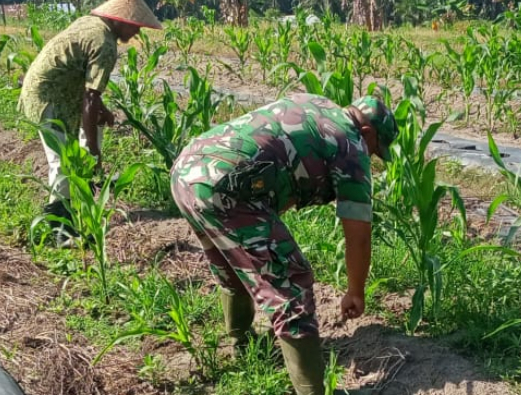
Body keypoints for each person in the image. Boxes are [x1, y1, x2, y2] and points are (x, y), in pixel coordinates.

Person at [170, 93, 398, 395]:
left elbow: (274, 159)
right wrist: (355, 290)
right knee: (292, 281)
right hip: (225, 187)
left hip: (188, 171)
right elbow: (359, 236)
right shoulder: (351, 145)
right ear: (367, 133)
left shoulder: (316, 104)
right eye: (375, 149)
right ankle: (312, 391)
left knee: (234, 260)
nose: (371, 156)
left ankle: (241, 345)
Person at [18, 0, 162, 242]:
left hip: (56, 91)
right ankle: (58, 228)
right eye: (135, 26)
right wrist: (94, 149)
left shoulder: (90, 22)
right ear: (120, 21)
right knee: (61, 162)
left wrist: (102, 113)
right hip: (49, 98)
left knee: (90, 130)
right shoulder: (105, 45)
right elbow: (90, 98)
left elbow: (88, 87)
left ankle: (87, 182)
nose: (137, 33)